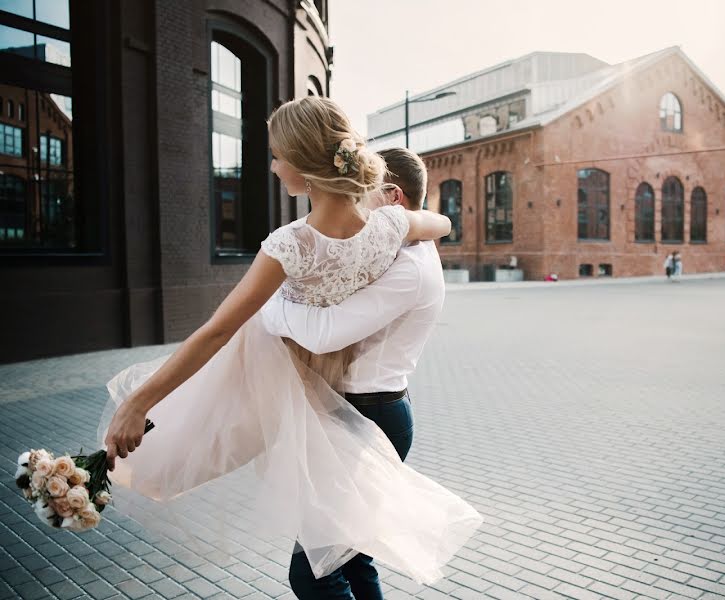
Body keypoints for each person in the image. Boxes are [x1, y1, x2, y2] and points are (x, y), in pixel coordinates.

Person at [100, 97, 482, 586]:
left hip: (350, 412)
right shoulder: (390, 224)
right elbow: (440, 222)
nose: (274, 165)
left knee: (316, 575)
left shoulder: (289, 244)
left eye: (278, 155)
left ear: (305, 166)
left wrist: (140, 401)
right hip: (343, 409)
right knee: (349, 558)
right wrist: (429, 227)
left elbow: (217, 331)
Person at [261, 147, 445, 599]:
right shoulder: (394, 254)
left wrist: (267, 306)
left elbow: (325, 334)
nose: (355, 206)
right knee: (354, 560)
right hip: (362, 415)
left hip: (371, 419)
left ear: (394, 197)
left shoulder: (410, 268)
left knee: (314, 573)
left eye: (363, 195)